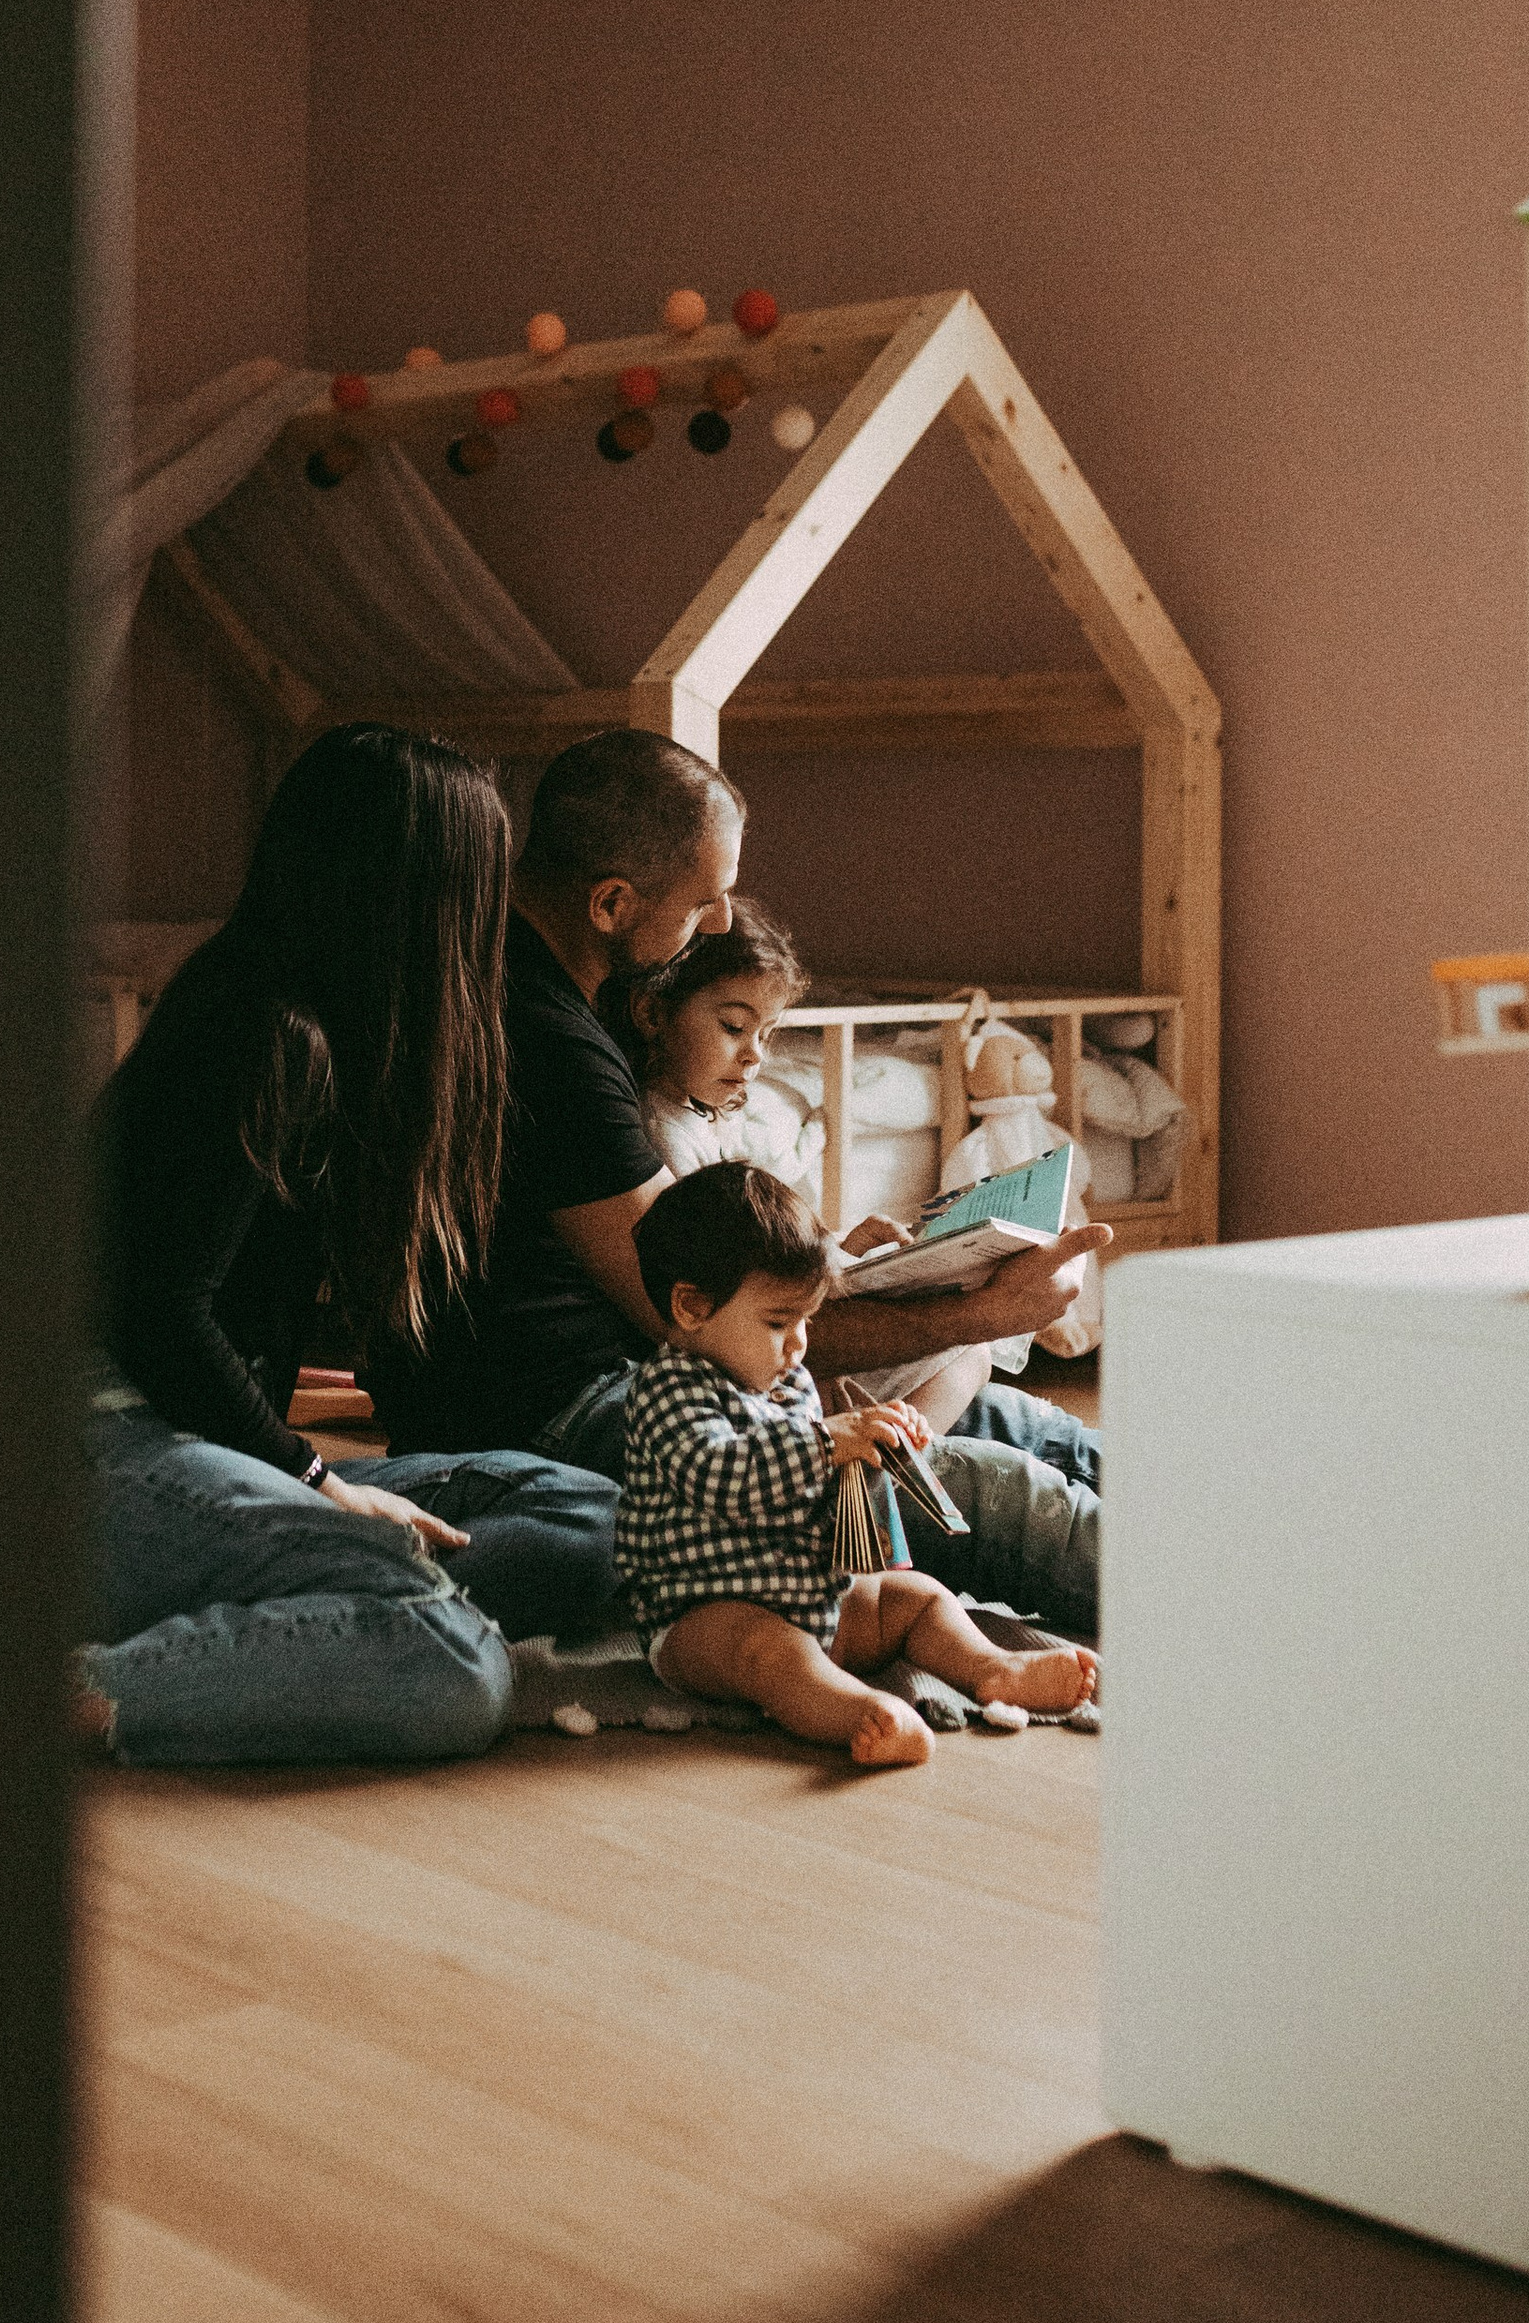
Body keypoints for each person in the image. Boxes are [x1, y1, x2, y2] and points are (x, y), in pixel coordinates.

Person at [366, 725, 1107, 1637]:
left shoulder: (562, 1000)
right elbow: (709, 1309)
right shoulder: (545, 1039)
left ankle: (1256, 1530)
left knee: (1021, 1425)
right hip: (571, 1409)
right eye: (702, 902)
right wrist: (976, 1316)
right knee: (989, 1486)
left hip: (653, 1372)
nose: (716, 923)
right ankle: (1242, 1597)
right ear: (610, 903)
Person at [79, 722, 622, 1768]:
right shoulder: (262, 1032)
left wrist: (318, 1490)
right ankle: (97, 1687)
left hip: (200, 1448)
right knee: (454, 1665)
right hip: (102, 1442)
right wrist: (319, 1482)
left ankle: (321, 1613)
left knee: (594, 1515)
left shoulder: (328, 1034)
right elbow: (153, 1312)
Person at [609, 899, 1103, 1494]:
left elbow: (756, 1247)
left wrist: (838, 1246)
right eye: (734, 1027)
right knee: (973, 1354)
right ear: (652, 1012)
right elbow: (731, 1274)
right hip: (741, 1357)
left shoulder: (704, 1114)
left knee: (993, 1383)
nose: (754, 1055)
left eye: (767, 1035)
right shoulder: (663, 1133)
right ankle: (877, 1482)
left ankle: (888, 1455)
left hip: (771, 1348)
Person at [617, 1164, 1099, 1765]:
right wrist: (828, 1442)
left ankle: (992, 1668)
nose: (798, 1343)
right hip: (707, 1616)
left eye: (805, 1321)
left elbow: (824, 1488)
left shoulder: (788, 1378)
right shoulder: (668, 1390)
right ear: (691, 1307)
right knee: (767, 1653)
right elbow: (720, 1474)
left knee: (919, 1597)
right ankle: (856, 1710)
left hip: (820, 1593)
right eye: (777, 1322)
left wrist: (880, 1445)